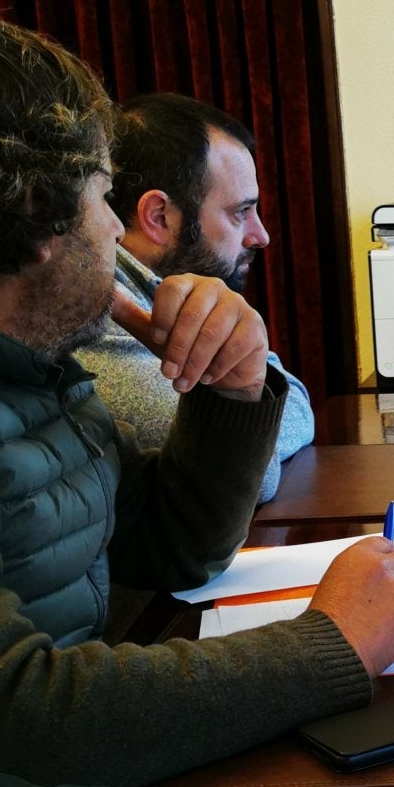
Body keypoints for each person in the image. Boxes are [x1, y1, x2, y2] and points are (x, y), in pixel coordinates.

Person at [0, 13, 394, 787]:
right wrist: (329, 646)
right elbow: (12, 711)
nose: (114, 229)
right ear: (35, 210)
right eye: (98, 196)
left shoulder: (45, 375)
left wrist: (234, 389)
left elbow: (173, 542)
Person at [75, 93, 314, 502]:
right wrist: (250, 403)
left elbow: (295, 400)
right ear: (159, 216)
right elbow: (250, 473)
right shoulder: (98, 310)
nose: (261, 236)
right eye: (241, 212)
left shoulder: (168, 291)